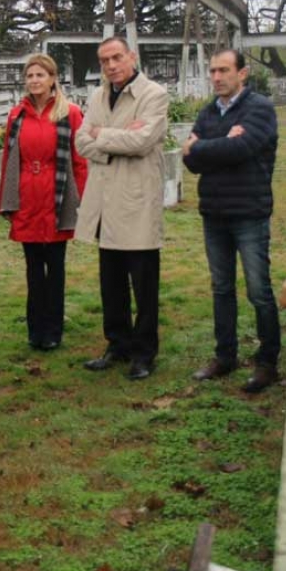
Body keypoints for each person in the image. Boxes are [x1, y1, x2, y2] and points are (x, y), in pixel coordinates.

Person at [182, 49, 281, 393]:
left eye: (224, 70)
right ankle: (225, 357)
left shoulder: (260, 109)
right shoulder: (208, 111)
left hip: (249, 214)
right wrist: (222, 143)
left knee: (259, 291)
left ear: (242, 73)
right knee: (221, 288)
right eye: (212, 71)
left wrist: (203, 147)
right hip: (214, 214)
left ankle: (268, 362)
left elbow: (243, 149)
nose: (216, 77)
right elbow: (190, 162)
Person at [76, 36, 169, 381]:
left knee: (143, 286)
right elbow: (81, 141)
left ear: (132, 56)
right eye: (104, 61)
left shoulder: (153, 95)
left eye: (116, 57)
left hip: (136, 202)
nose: (111, 65)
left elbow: (143, 141)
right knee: (111, 282)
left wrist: (103, 135)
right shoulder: (98, 96)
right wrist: (114, 139)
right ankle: (117, 344)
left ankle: (144, 353)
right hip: (105, 204)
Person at [0, 54, 87, 351]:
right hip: (27, 196)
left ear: (52, 78)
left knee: (56, 267)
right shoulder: (17, 115)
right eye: (30, 76)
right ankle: (35, 329)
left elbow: (80, 161)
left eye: (40, 75)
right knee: (33, 269)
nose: (34, 80)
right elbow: (10, 160)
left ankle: (54, 329)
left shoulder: (69, 113)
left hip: (57, 196)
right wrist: (8, 199)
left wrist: (81, 199)